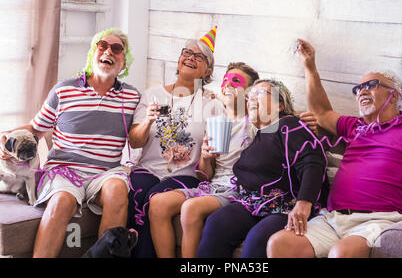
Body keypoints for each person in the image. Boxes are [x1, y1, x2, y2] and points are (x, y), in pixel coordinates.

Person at [266, 39, 402, 258]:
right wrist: (310, 66)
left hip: (380, 220)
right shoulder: (356, 127)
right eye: (358, 88)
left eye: (370, 85)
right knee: (279, 243)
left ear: (394, 96)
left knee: (341, 253)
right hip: (333, 218)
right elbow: (322, 113)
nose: (361, 91)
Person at [0, 28, 141, 257]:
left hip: (106, 172)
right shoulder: (64, 90)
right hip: (64, 170)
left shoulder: (132, 96)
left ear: (124, 64)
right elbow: (36, 127)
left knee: (117, 191)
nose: (108, 52)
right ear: (92, 55)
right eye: (102, 46)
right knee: (62, 202)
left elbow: (141, 134)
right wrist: (6, 134)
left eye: (117, 49)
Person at [196, 78, 328, 258]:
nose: (251, 99)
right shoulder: (257, 136)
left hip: (285, 206)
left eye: (259, 93)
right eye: (249, 97)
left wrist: (304, 203)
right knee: (216, 224)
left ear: (280, 106)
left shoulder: (289, 125)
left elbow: (313, 161)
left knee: (257, 240)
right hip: (252, 204)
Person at [126, 26, 225, 258]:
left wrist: (208, 158)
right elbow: (135, 141)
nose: (190, 57)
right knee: (135, 194)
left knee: (153, 201)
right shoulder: (153, 95)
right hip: (147, 168)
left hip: (186, 175)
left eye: (199, 56)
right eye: (186, 52)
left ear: (207, 70)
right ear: (179, 59)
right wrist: (148, 121)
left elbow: (212, 166)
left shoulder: (214, 105)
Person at [148, 62, 259, 258]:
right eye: (225, 80)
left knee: (191, 207)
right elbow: (205, 175)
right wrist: (206, 157)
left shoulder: (254, 125)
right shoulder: (216, 122)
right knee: (158, 203)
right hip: (214, 185)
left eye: (236, 82)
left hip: (237, 189)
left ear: (249, 92)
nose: (228, 85)